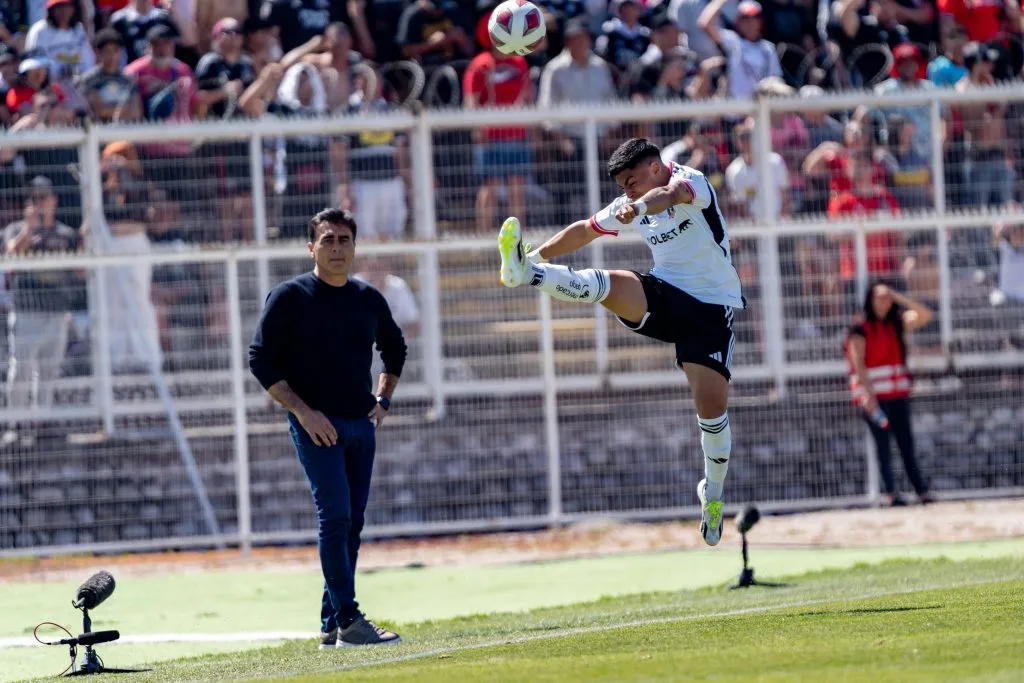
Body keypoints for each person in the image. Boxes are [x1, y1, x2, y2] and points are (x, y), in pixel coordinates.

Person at [497, 138, 744, 546]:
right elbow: (583, 231)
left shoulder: (691, 180)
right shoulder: (630, 201)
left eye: (631, 181)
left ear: (654, 167)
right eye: (622, 186)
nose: (626, 192)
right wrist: (534, 254)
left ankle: (712, 495)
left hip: (710, 308)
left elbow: (670, 195)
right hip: (664, 293)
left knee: (712, 412)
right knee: (607, 284)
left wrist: (642, 205)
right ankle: (527, 273)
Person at [248, 207, 406, 648]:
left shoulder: (368, 298)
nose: (337, 248)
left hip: (361, 425)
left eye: (344, 240)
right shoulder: (289, 296)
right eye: (328, 240)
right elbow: (260, 359)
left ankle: (331, 623)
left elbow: (396, 349)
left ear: (354, 247)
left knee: (351, 522)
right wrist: (303, 411)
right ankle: (351, 618)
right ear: (311, 246)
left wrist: (384, 399)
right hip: (316, 427)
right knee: (334, 515)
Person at [845, 282, 934, 506]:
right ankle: (891, 494)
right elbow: (858, 364)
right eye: (879, 297)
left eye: (887, 298)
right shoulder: (860, 328)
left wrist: (899, 297)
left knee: (906, 444)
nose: (883, 302)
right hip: (875, 398)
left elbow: (925, 315)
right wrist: (869, 396)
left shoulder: (896, 323)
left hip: (897, 395)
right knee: (882, 446)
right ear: (869, 300)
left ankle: (920, 490)